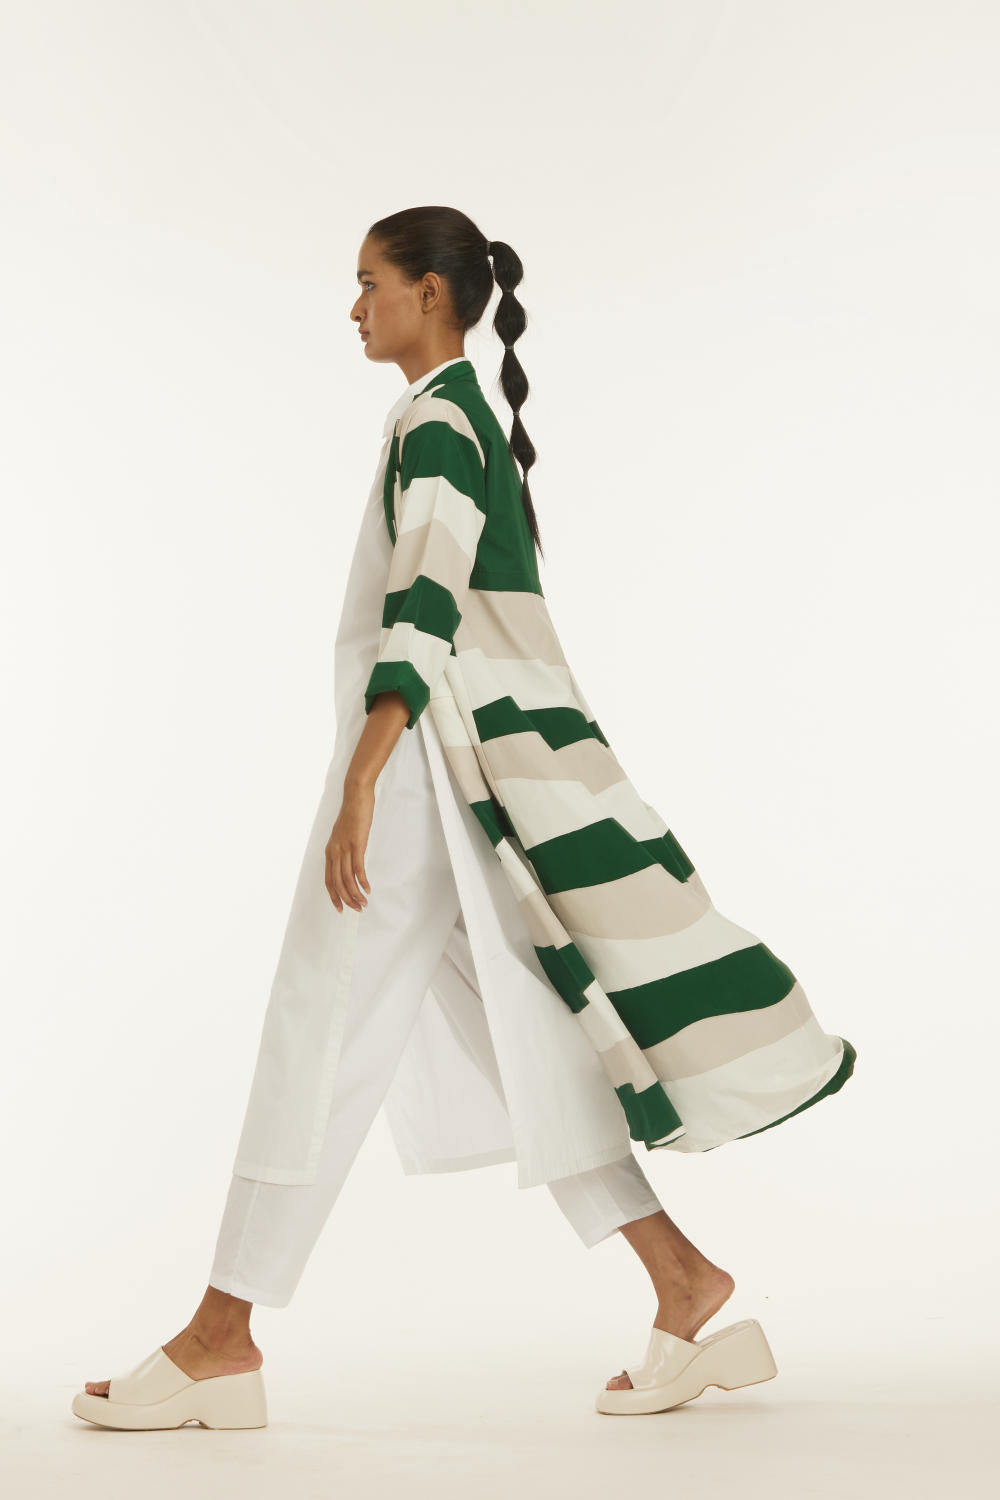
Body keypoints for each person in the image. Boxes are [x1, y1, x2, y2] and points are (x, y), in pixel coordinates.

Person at [73, 206, 853, 1429]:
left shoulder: (439, 421)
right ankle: (680, 1278)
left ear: (430, 294)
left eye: (369, 283)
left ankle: (221, 1338)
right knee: (525, 1033)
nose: (354, 307)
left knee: (318, 1022)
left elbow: (423, 607)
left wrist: (362, 779)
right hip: (459, 782)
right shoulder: (456, 416)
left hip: (426, 775)